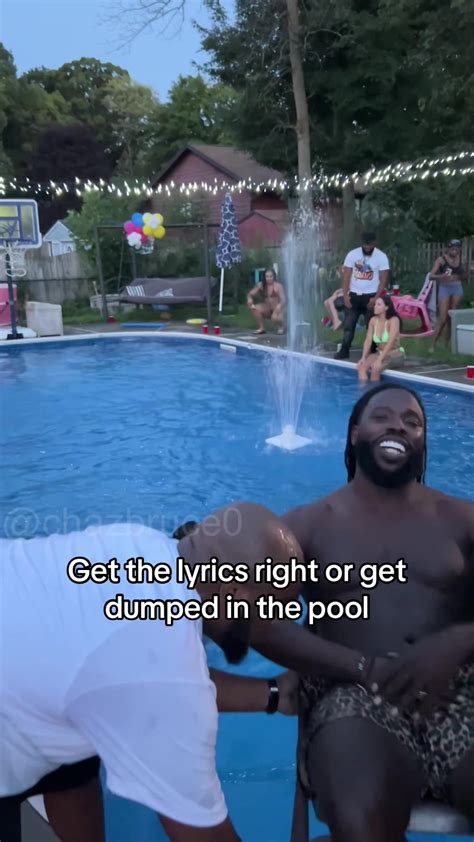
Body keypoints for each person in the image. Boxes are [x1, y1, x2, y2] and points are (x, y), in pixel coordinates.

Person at [0, 503, 302, 842]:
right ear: (232, 593)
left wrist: (275, 693)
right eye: (274, 608)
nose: (277, 623)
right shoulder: (161, 669)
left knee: (79, 740)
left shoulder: (139, 544)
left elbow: (149, 678)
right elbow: (206, 836)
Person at [279, 384, 474, 842]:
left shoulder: (462, 519)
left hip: (460, 696)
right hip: (352, 698)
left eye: (412, 422)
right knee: (361, 816)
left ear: (422, 441)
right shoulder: (307, 525)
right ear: (354, 433)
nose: (398, 427)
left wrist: (459, 641)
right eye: (382, 417)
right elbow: (258, 619)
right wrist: (361, 668)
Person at [335, 232, 390, 360]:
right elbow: (346, 276)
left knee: (371, 325)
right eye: (365, 245)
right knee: (349, 325)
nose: (367, 247)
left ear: (374, 244)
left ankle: (373, 351)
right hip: (354, 296)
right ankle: (344, 350)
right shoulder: (352, 255)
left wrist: (376, 298)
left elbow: (383, 279)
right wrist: (345, 295)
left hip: (370, 296)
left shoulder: (381, 257)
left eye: (369, 245)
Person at [357, 295, 405, 382]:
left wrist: (379, 360)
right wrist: (363, 357)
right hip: (379, 353)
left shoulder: (394, 320)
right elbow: (368, 340)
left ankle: (375, 389)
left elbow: (391, 341)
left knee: (375, 369)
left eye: (379, 304)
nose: (375, 306)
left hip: (394, 355)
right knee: (361, 367)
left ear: (386, 307)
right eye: (375, 304)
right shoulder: (373, 320)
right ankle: (364, 389)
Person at [429, 239, 466, 351]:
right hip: (445, 287)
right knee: (443, 318)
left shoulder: (461, 259)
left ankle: (447, 343)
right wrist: (442, 276)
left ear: (459, 249)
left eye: (457, 249)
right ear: (448, 249)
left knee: (452, 317)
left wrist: (461, 275)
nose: (454, 251)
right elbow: (431, 276)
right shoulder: (441, 260)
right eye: (452, 249)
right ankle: (433, 344)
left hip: (457, 287)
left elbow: (464, 277)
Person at [247, 268, 286, 335]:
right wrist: (249, 299)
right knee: (254, 308)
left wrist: (279, 306)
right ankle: (261, 328)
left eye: (271, 276)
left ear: (274, 276)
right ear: (264, 277)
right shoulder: (261, 285)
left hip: (278, 308)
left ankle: (281, 327)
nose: (269, 278)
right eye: (267, 276)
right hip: (267, 308)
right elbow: (250, 294)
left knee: (275, 317)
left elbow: (283, 300)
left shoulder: (278, 286)